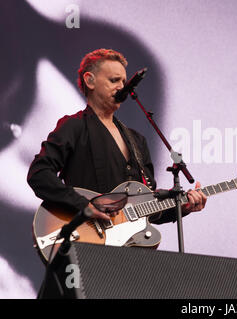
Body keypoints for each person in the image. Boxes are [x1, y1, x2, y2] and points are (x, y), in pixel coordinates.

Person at [27, 48, 207, 225]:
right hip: (88, 239)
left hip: (129, 247)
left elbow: (147, 208)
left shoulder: (137, 140)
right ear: (90, 81)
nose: (122, 87)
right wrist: (84, 206)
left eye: (124, 81)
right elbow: (39, 174)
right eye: (114, 80)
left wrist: (181, 208)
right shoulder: (74, 126)